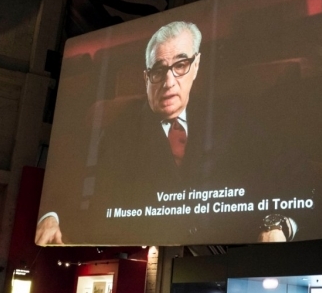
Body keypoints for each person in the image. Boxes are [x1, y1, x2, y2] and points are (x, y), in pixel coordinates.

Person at [35, 21, 299, 246]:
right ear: (146, 77)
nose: (169, 82)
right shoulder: (117, 129)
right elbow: (80, 189)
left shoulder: (231, 118)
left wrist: (278, 223)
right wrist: (51, 216)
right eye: (159, 70)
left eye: (181, 65)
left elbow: (290, 171)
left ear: (196, 65)